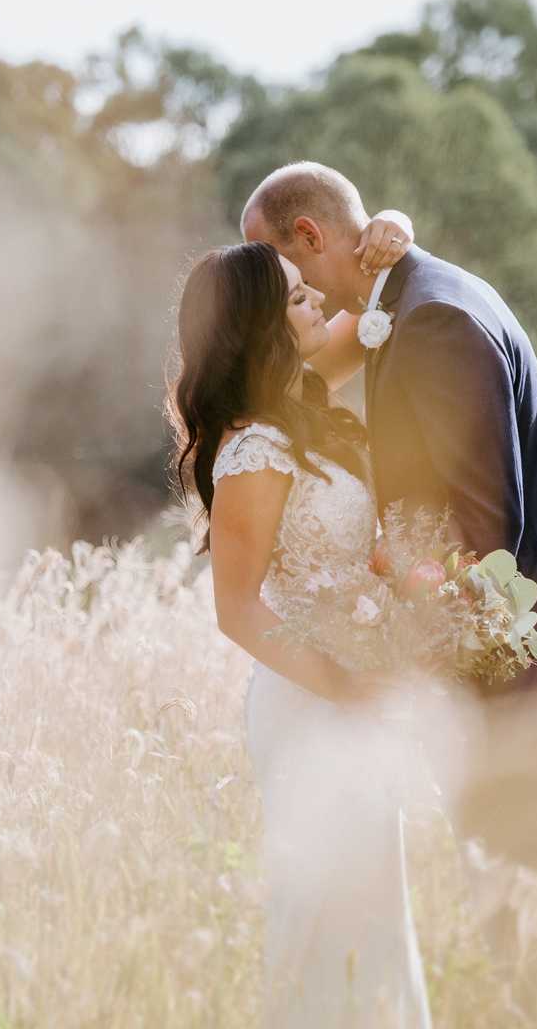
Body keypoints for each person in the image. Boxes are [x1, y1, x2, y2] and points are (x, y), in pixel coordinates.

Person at [240, 162, 537, 1029]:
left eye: (268, 261)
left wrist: (403, 650)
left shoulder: (428, 322)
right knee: (521, 892)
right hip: (481, 642)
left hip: (508, 652)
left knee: (527, 892)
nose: (265, 286)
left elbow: (478, 542)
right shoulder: (407, 303)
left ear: (309, 241)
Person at [168, 217, 431, 1028]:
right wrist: (344, 682)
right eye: (295, 294)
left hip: (355, 697)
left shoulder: (302, 406)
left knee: (374, 911)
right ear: (260, 328)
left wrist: (397, 231)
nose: (315, 296)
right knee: (324, 916)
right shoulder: (252, 450)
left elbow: (380, 306)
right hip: (311, 701)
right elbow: (237, 609)